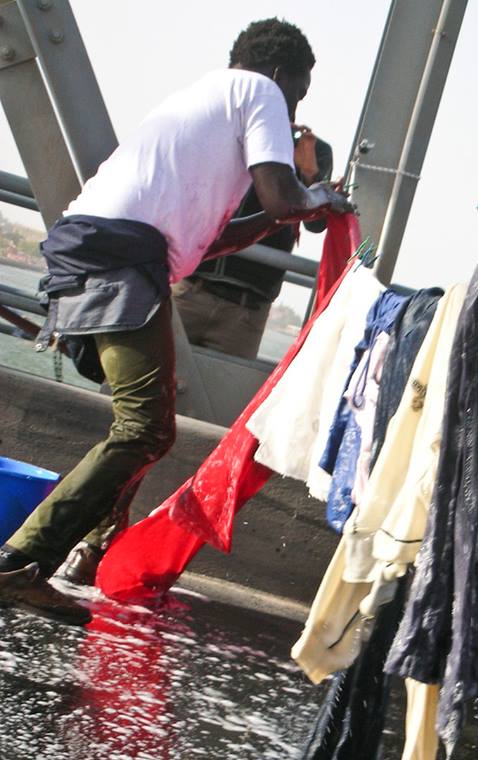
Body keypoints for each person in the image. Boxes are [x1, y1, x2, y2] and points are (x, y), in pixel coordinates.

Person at [0, 18, 350, 624]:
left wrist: (284, 214)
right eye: (299, 91)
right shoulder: (259, 91)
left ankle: (78, 553)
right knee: (145, 429)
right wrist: (320, 198)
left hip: (106, 249)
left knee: (140, 424)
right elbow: (282, 198)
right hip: (118, 257)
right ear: (281, 74)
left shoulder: (204, 104)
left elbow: (208, 242)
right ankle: (19, 564)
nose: (293, 107)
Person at [175, 114, 334, 358]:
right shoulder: (227, 131)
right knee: (145, 384)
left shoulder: (313, 150)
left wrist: (310, 174)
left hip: (246, 312)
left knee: (223, 395)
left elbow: (317, 224)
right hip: (189, 290)